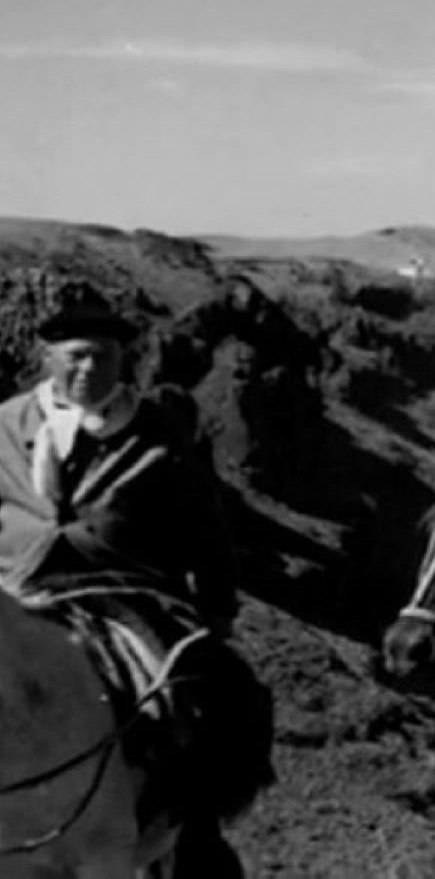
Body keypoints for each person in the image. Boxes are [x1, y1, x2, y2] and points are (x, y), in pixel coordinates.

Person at [0, 283, 269, 878]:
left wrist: (215, 609)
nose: (88, 367)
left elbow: (207, 525)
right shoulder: (4, 425)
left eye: (103, 356)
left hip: (119, 591)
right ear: (47, 358)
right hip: (16, 585)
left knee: (190, 692)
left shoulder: (156, 429)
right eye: (76, 354)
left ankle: (189, 828)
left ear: (124, 362)